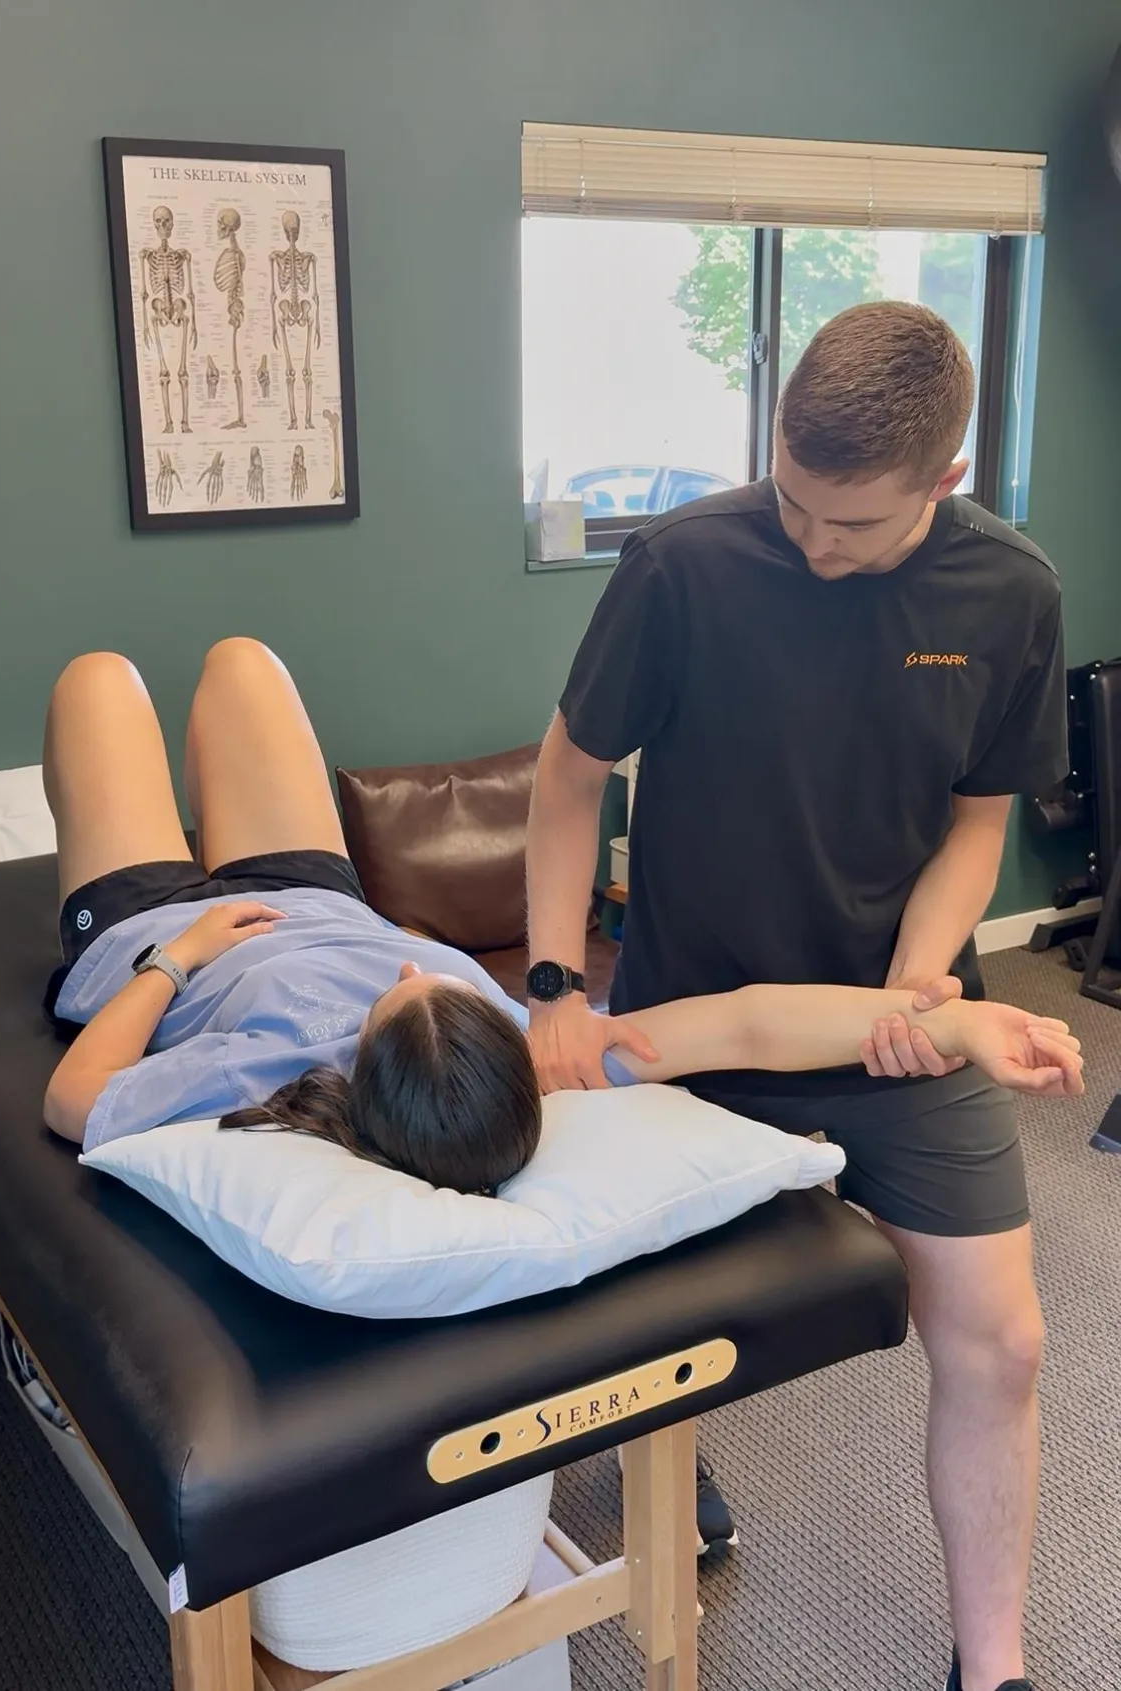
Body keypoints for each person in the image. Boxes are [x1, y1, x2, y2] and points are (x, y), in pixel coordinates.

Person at [525, 301, 1068, 1691]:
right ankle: (673, 1448)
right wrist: (553, 990)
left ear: (945, 479)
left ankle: (993, 1666)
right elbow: (569, 778)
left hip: (896, 1020)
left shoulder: (1010, 590)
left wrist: (920, 977)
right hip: (695, 1016)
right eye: (794, 497)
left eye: (855, 523)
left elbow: (978, 821)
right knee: (654, 1314)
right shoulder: (684, 564)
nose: (816, 541)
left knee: (1003, 1339)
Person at [42, 641, 1079, 1208]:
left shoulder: (255, 1070)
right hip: (319, 892)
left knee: (99, 680)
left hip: (155, 926)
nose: (408, 967)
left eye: (408, 987)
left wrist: (178, 958)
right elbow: (748, 1022)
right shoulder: (527, 1055)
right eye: (440, 980)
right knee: (243, 663)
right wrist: (952, 1022)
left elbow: (73, 1100)